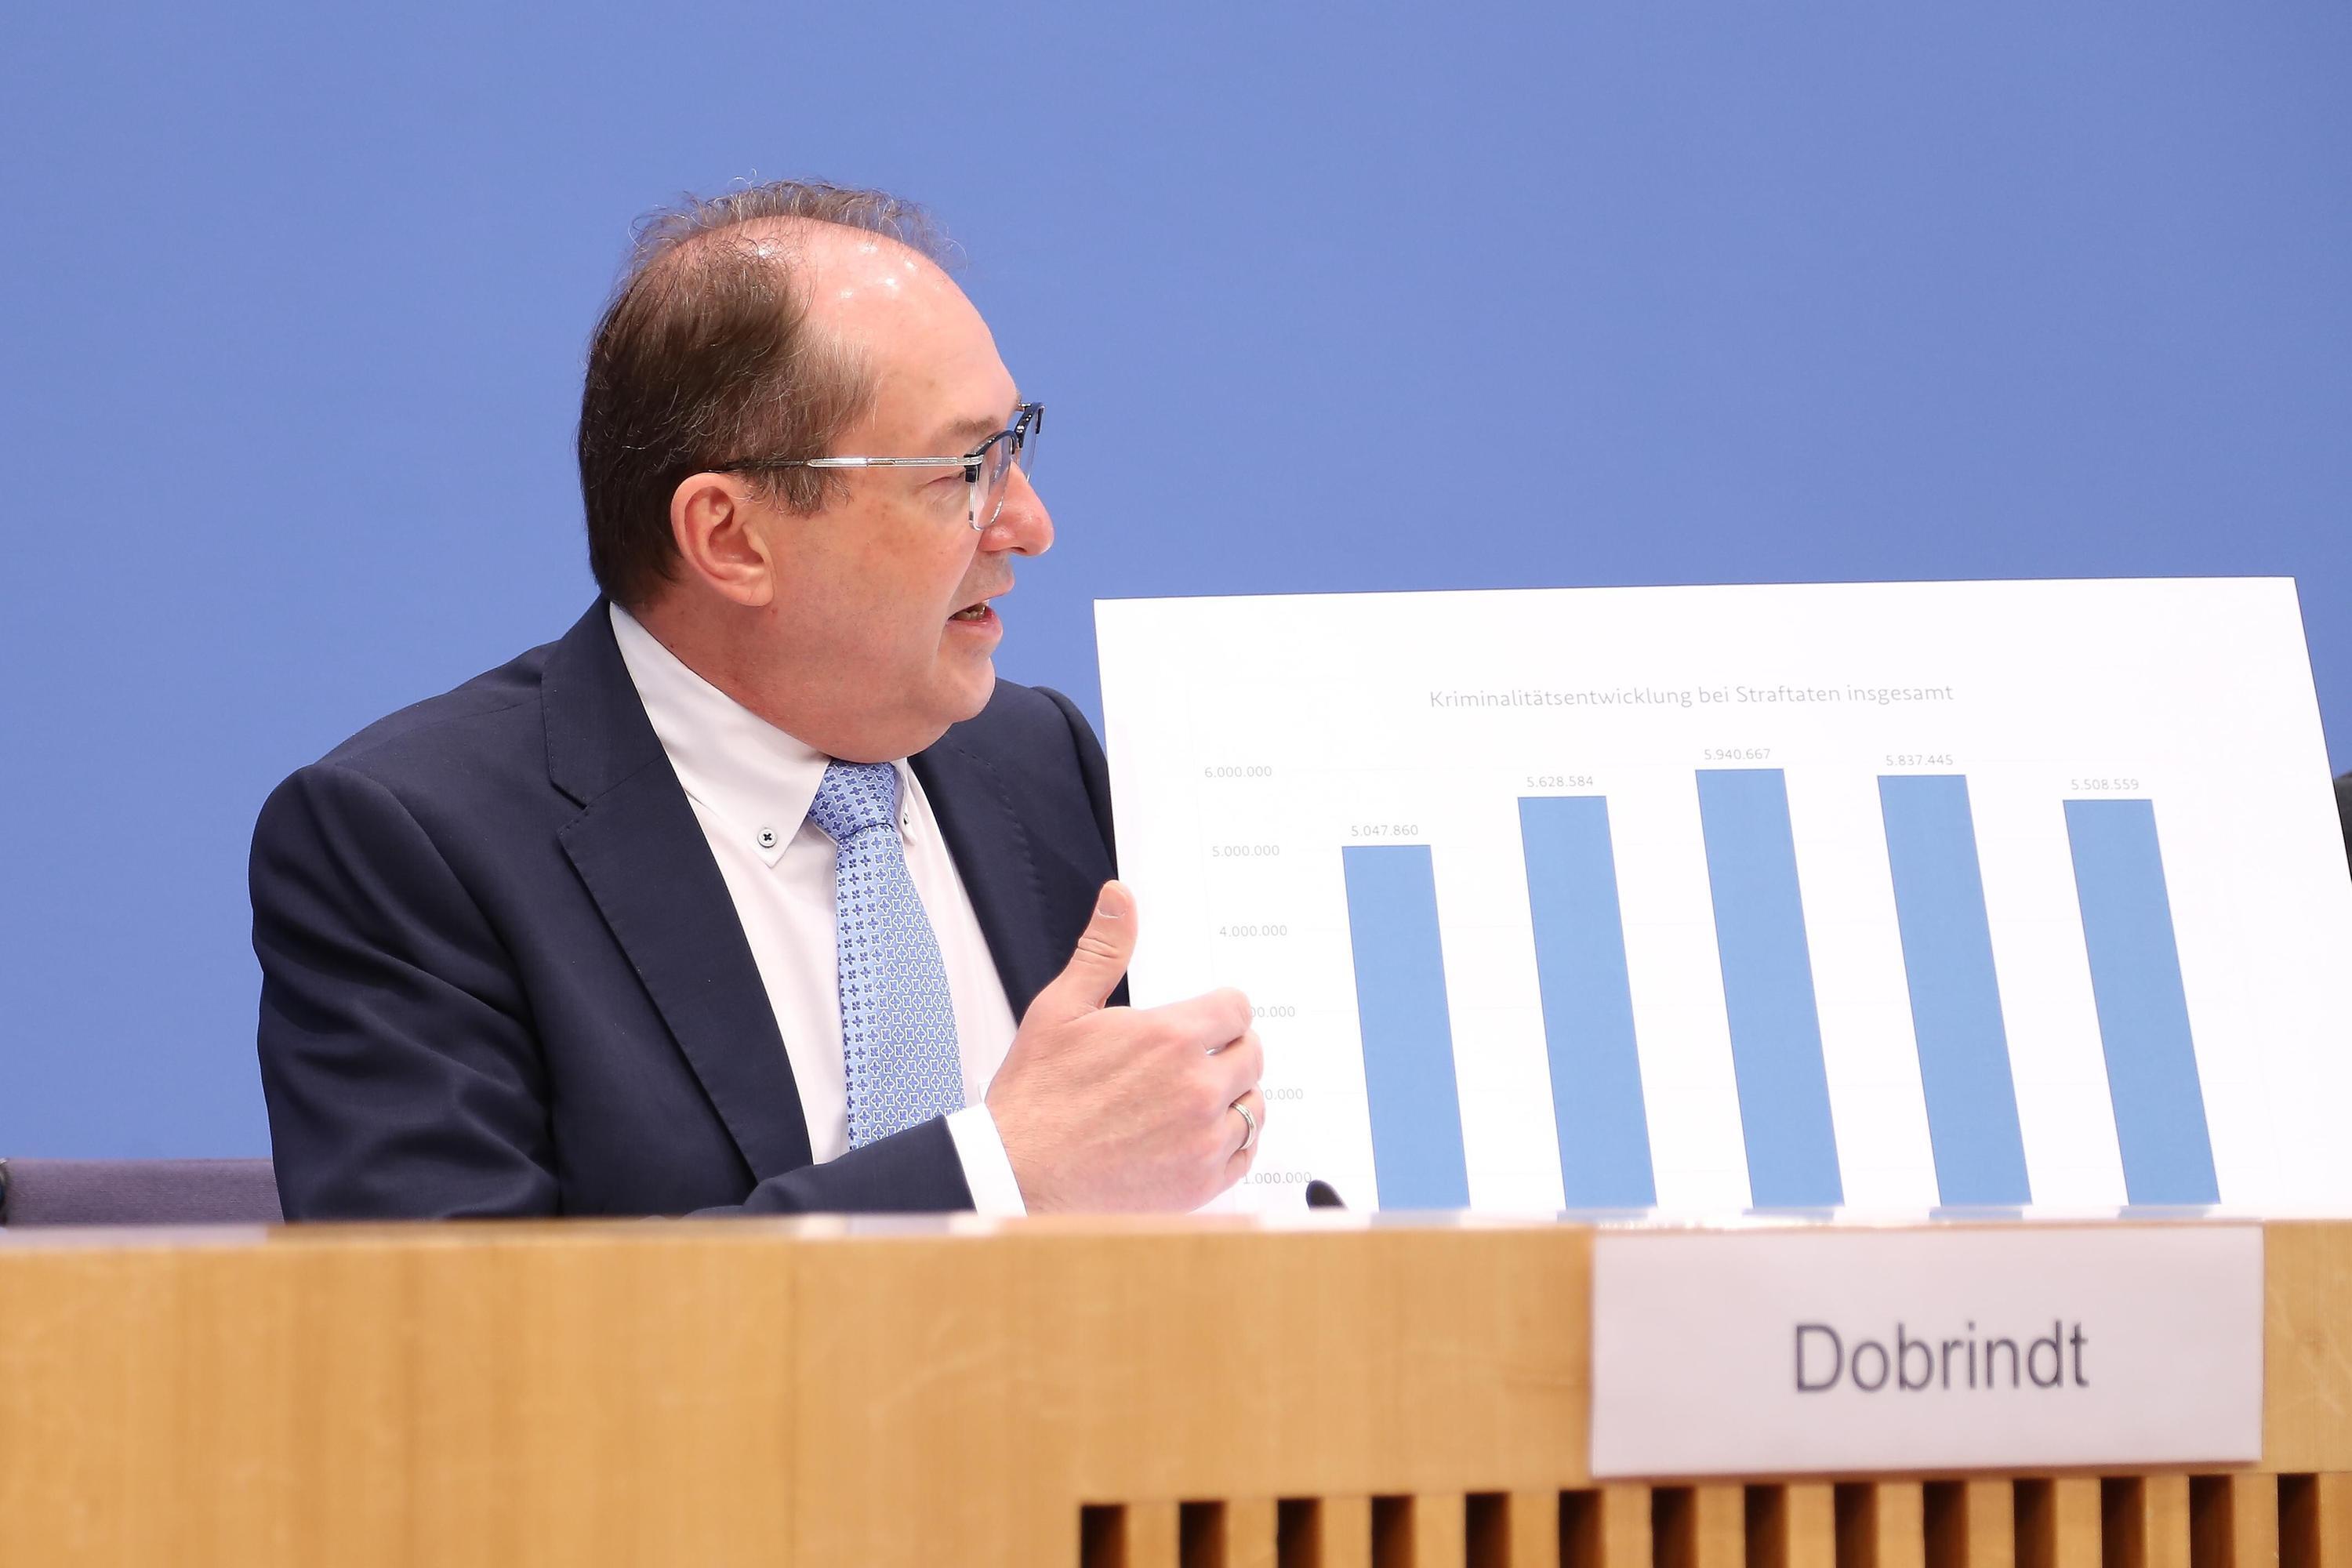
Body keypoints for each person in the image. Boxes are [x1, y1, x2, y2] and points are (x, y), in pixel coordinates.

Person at [251, 181, 1266, 1218]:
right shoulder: (411, 848)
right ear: (732, 539)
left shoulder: (1043, 765)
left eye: (1014, 445)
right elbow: (452, 1313)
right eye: (963, 469)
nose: (1030, 524)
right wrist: (992, 1179)